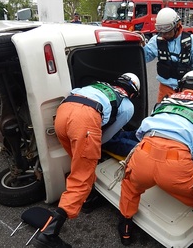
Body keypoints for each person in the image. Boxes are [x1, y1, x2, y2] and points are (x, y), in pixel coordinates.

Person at [118, 71, 193, 247]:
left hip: (144, 153)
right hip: (177, 165)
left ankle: (125, 227)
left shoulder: (161, 104)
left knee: (130, 185)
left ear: (181, 87)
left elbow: (141, 134)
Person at [32, 73, 140, 248]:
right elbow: (106, 137)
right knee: (81, 177)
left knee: (79, 164)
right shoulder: (127, 106)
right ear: (133, 94)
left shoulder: (99, 85)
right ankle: (49, 234)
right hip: (84, 121)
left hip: (63, 113)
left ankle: (87, 199)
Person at [143, 7, 193, 102]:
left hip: (187, 89)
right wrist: (138, 47)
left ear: (177, 26)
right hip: (166, 89)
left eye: (168, 32)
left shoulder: (192, 40)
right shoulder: (156, 41)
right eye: (162, 32)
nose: (164, 35)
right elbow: (144, 57)